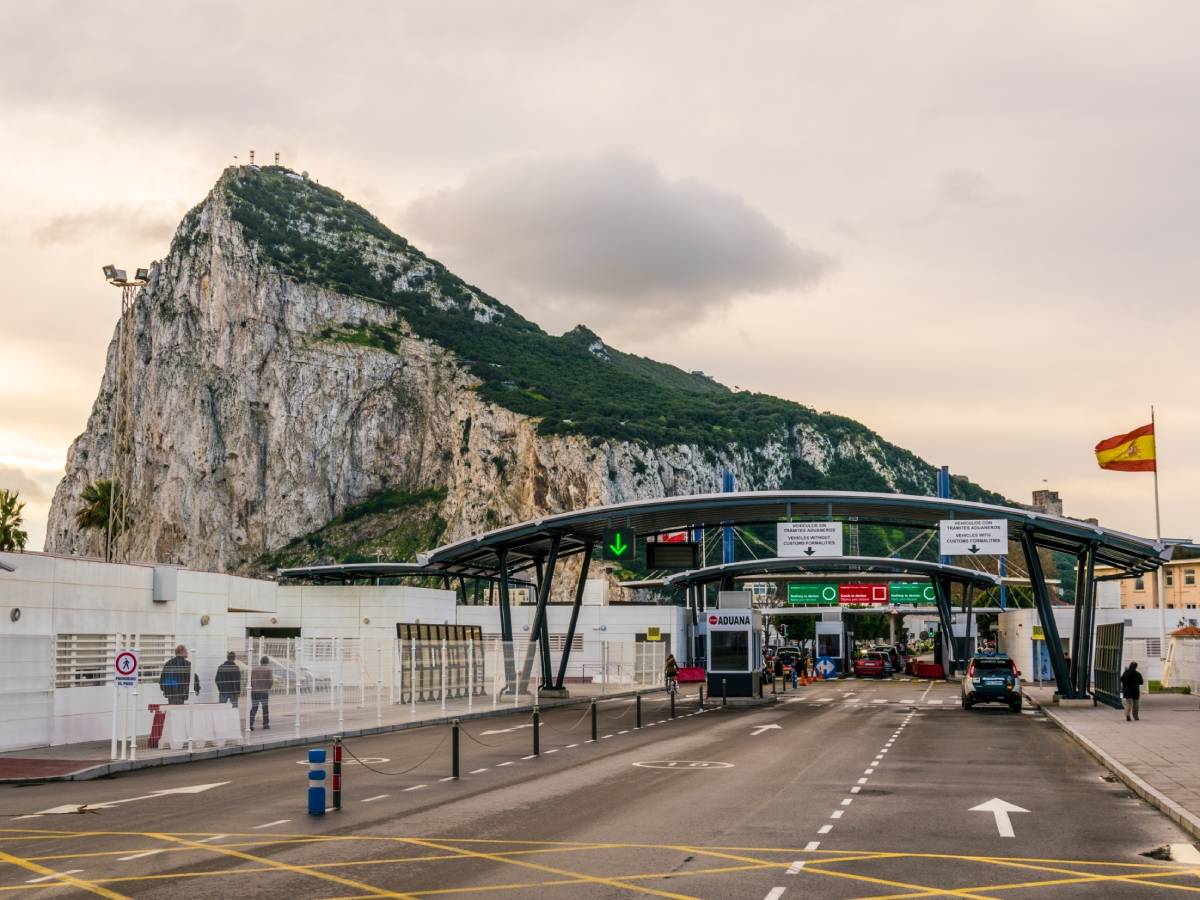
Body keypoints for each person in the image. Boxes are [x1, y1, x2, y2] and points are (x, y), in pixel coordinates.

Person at [249, 656, 273, 731]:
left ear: (261, 661)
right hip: (264, 691)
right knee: (265, 708)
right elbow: (270, 680)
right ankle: (265, 724)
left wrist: (253, 686)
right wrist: (269, 687)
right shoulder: (268, 669)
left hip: (254, 691)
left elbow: (251, 680)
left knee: (254, 708)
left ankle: (250, 724)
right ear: (267, 662)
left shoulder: (254, 669)